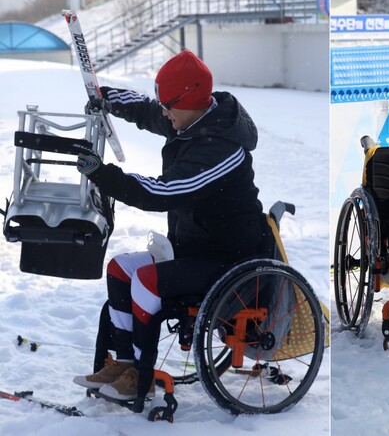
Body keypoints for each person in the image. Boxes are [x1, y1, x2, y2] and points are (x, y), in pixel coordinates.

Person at [70, 50, 267, 400]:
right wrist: (107, 98)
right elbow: (148, 109)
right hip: (192, 246)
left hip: (228, 258)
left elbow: (164, 192)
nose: (163, 113)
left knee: (146, 280)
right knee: (119, 269)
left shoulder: (220, 148)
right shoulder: (192, 119)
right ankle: (125, 362)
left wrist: (103, 175)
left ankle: (139, 378)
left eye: (168, 106)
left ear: (189, 101)